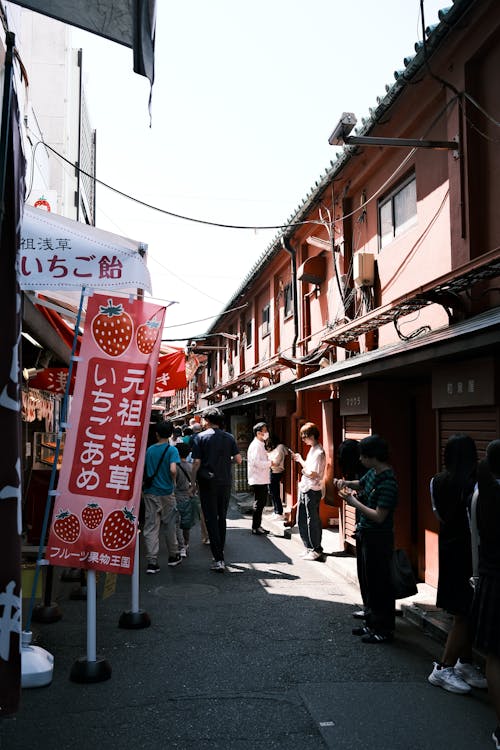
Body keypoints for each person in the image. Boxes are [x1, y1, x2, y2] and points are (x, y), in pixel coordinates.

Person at [427, 433, 487, 694]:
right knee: (464, 613)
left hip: (449, 548)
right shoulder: (476, 484)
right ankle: (443, 668)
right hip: (471, 552)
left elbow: (439, 514)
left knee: (462, 610)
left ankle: (465, 662)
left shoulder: (436, 481)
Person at [333, 434, 397, 643]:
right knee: (369, 581)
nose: (359, 460)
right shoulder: (373, 473)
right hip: (366, 534)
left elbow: (379, 516)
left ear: (372, 457)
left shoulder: (388, 481)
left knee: (380, 584)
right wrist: (344, 482)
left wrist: (352, 502)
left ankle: (383, 629)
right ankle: (371, 623)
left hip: (379, 537)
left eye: (363, 456)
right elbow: (360, 483)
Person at [470, 440, 500, 748]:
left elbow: (475, 539)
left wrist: (476, 577)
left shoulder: (482, 494)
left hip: (493, 577)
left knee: (495, 654)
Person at [190, 407, 242, 571]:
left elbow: (196, 462)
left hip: (207, 482)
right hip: (224, 482)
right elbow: (238, 459)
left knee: (211, 518)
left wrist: (192, 483)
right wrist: (226, 463)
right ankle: (220, 551)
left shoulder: (200, 437)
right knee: (221, 517)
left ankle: (218, 558)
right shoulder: (229, 437)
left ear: (206, 421)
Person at [142, 420, 182, 573]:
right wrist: (173, 480)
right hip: (167, 493)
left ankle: (152, 562)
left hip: (151, 492)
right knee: (170, 524)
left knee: (151, 526)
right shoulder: (172, 450)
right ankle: (173, 556)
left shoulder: (150, 450)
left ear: (156, 434)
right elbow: (173, 470)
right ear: (171, 434)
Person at [337, 439, 368, 620]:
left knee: (367, 570)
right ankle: (373, 608)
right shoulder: (367, 471)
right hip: (365, 525)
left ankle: (371, 609)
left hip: (368, 526)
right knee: (367, 570)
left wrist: (352, 499)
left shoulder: (367, 473)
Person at [292, 421, 326, 561]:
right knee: (302, 519)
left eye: (304, 436)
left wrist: (304, 470)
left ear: (311, 436)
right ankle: (308, 547)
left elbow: (313, 473)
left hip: (312, 488)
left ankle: (316, 549)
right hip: (306, 487)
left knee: (312, 520)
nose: (303, 439)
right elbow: (309, 469)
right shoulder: (313, 449)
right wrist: (300, 459)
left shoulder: (318, 452)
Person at [247, 422, 272, 535]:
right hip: (258, 478)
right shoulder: (256, 445)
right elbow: (257, 462)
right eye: (265, 431)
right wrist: (271, 463)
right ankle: (255, 527)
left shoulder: (260, 444)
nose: (267, 433)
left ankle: (258, 526)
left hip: (261, 477)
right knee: (259, 502)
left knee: (261, 502)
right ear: (258, 433)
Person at [174, 442, 195, 557]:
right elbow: (194, 484)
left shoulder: (174, 467)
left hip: (176, 496)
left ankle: (181, 546)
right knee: (186, 524)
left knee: (177, 523)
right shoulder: (191, 467)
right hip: (187, 497)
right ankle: (186, 544)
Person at [266, 434, 287, 519]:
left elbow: (276, 462)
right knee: (272, 492)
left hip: (276, 471)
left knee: (275, 492)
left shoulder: (280, 447)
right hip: (272, 471)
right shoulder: (276, 448)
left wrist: (267, 461)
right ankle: (276, 511)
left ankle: (279, 512)